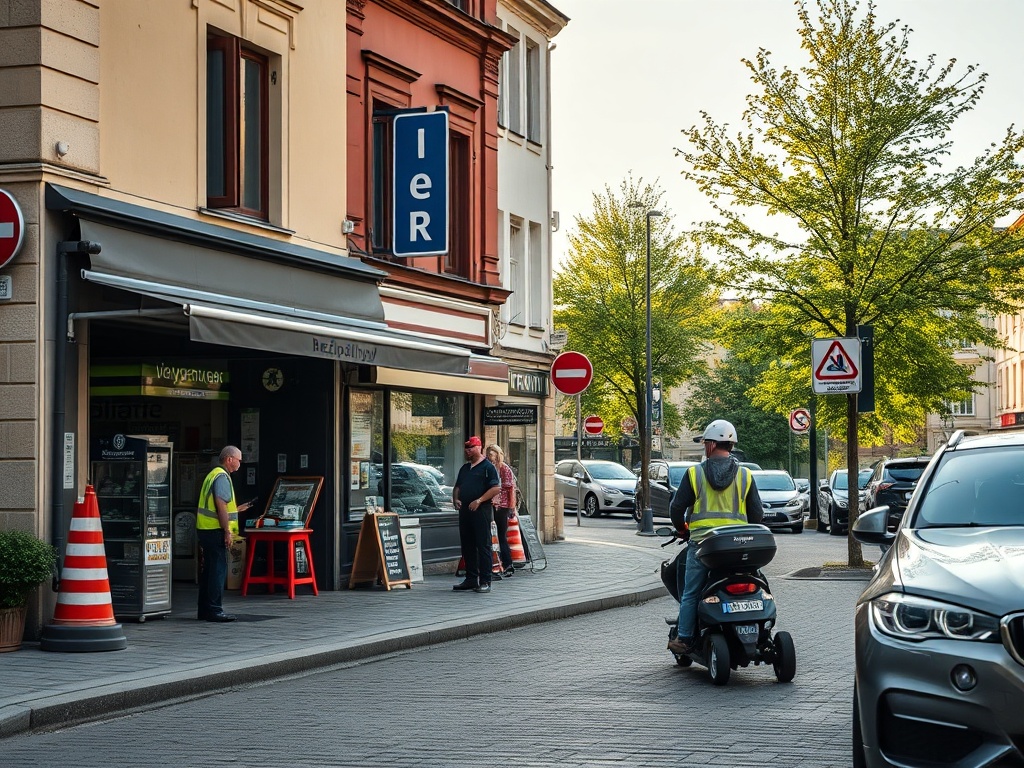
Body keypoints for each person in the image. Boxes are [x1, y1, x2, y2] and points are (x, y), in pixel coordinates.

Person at [667, 420, 763, 654]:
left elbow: (676, 508)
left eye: (704, 443)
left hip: (704, 545)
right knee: (757, 582)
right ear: (731, 445)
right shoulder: (745, 475)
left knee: (690, 593)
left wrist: (682, 528)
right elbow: (757, 514)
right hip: (738, 546)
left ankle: (684, 638)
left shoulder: (695, 473)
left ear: (710, 445)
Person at [195, 446, 254, 622]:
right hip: (215, 531)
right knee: (217, 571)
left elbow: (218, 507)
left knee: (209, 571)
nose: (240, 463)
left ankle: (204, 610)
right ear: (229, 459)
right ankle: (215, 610)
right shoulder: (222, 477)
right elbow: (220, 506)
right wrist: (227, 531)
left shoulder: (213, 475)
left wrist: (236, 509)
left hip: (206, 529)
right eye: (239, 460)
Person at [452, 436, 501, 593]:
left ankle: (485, 580)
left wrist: (479, 500)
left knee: (483, 545)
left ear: (479, 448)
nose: (468, 451)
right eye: (466, 448)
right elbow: (458, 486)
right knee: (467, 545)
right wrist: (456, 499)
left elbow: (496, 488)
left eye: (471, 447)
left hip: (481, 511)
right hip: (465, 511)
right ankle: (471, 578)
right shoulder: (465, 468)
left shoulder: (488, 467)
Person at [486, 443, 517, 577]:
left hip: (502, 506)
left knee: (501, 535)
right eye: (487, 454)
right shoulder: (487, 468)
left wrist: (511, 507)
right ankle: (492, 565)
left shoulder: (504, 469)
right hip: (489, 504)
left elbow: (511, 490)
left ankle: (508, 564)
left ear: (497, 455)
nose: (489, 457)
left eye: (491, 454)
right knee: (488, 536)